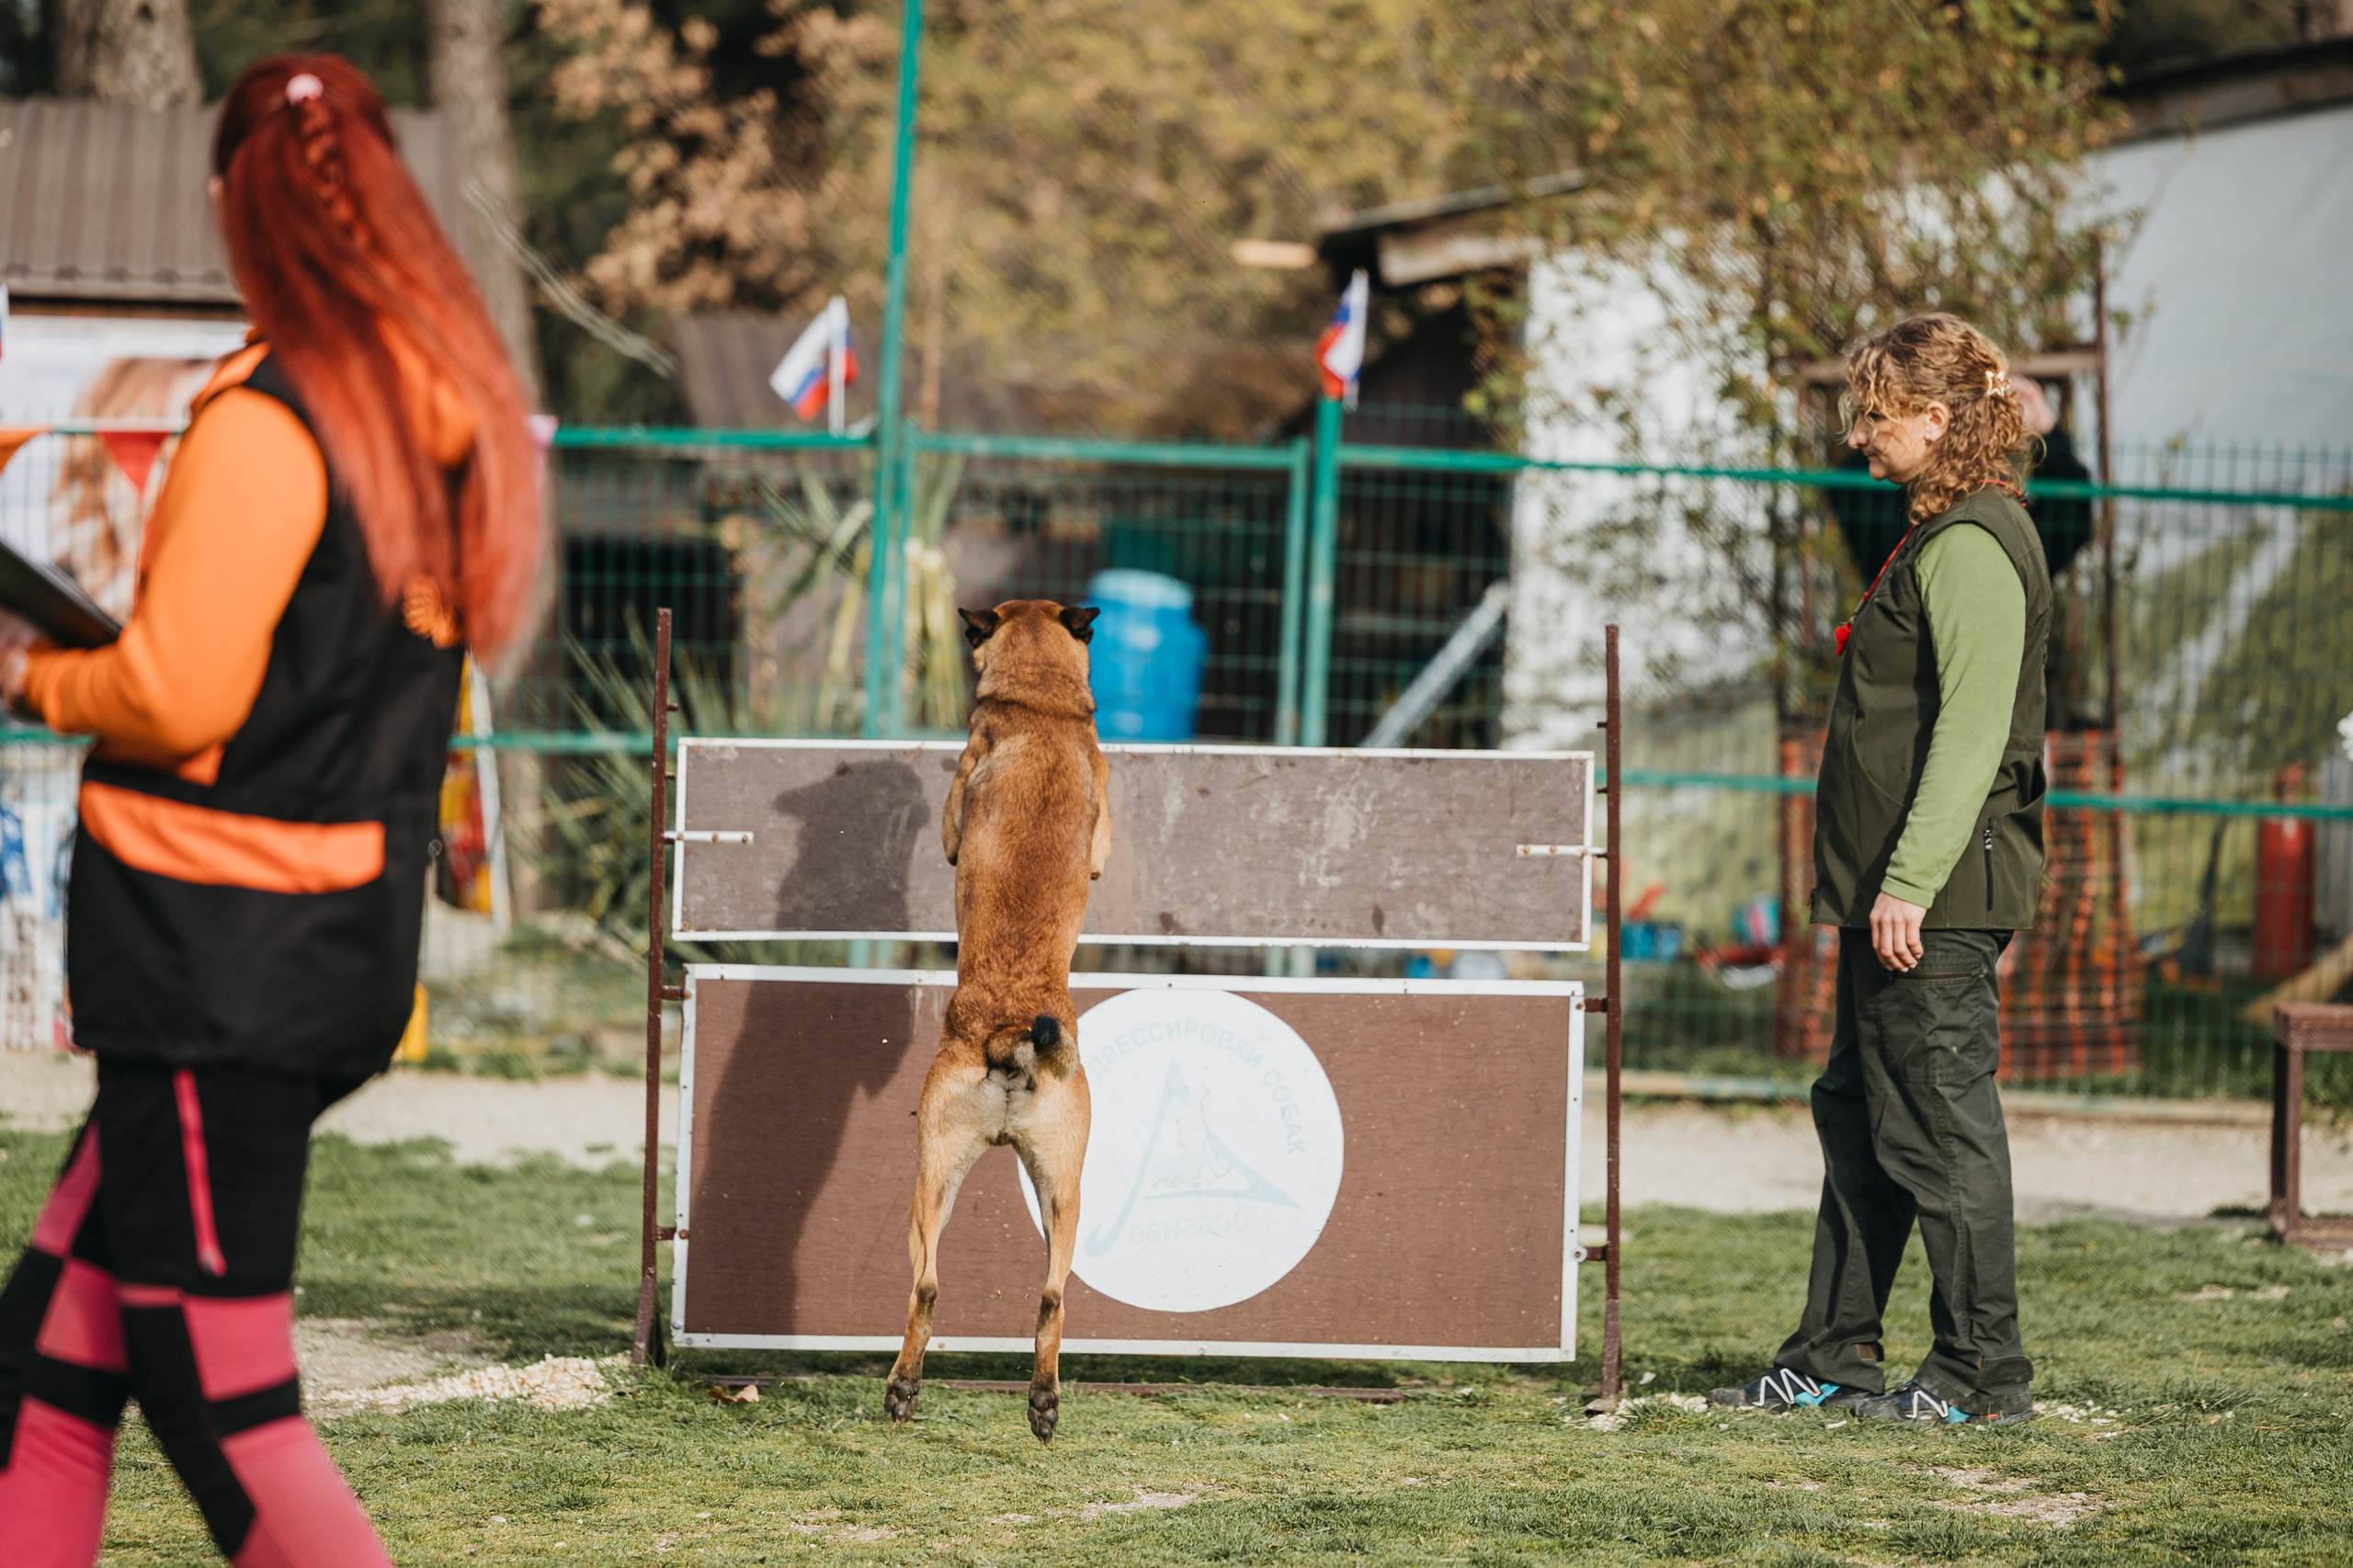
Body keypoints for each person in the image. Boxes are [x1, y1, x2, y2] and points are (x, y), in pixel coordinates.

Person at [0, 54, 538, 1565]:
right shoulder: (438, 410)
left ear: (239, 203)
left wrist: (38, 679)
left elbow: (180, 696)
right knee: (52, 1355)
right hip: (319, 940)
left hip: (207, 965)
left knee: (219, 1397)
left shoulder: (273, 410)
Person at [1710, 313, 2051, 1426]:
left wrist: (1905, 880)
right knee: (1859, 1112)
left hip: (1934, 896)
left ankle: (1980, 1376)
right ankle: (1833, 1353)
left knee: (1940, 1126)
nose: (1861, 436)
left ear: (1937, 418)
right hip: (1889, 897)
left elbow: (1973, 736)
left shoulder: (1973, 545)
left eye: (1878, 415)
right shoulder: (1933, 530)